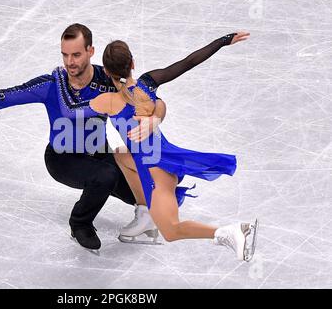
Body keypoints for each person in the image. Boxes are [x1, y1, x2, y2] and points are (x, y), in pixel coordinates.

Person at [0, 23, 169, 252]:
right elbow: (1, 97)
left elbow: (152, 101)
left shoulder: (109, 79)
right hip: (63, 159)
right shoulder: (52, 84)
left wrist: (154, 118)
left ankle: (142, 211)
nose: (69, 62)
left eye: (76, 55)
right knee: (106, 176)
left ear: (90, 51)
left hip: (99, 154)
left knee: (149, 190)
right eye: (65, 54)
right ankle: (80, 223)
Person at [56, 34, 259, 262]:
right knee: (120, 155)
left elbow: (68, 109)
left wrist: (60, 78)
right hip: (166, 158)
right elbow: (188, 63)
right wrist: (224, 41)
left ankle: (229, 232)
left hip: (156, 172)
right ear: (132, 64)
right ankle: (145, 215)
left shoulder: (108, 102)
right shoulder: (148, 83)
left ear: (106, 70)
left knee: (171, 231)